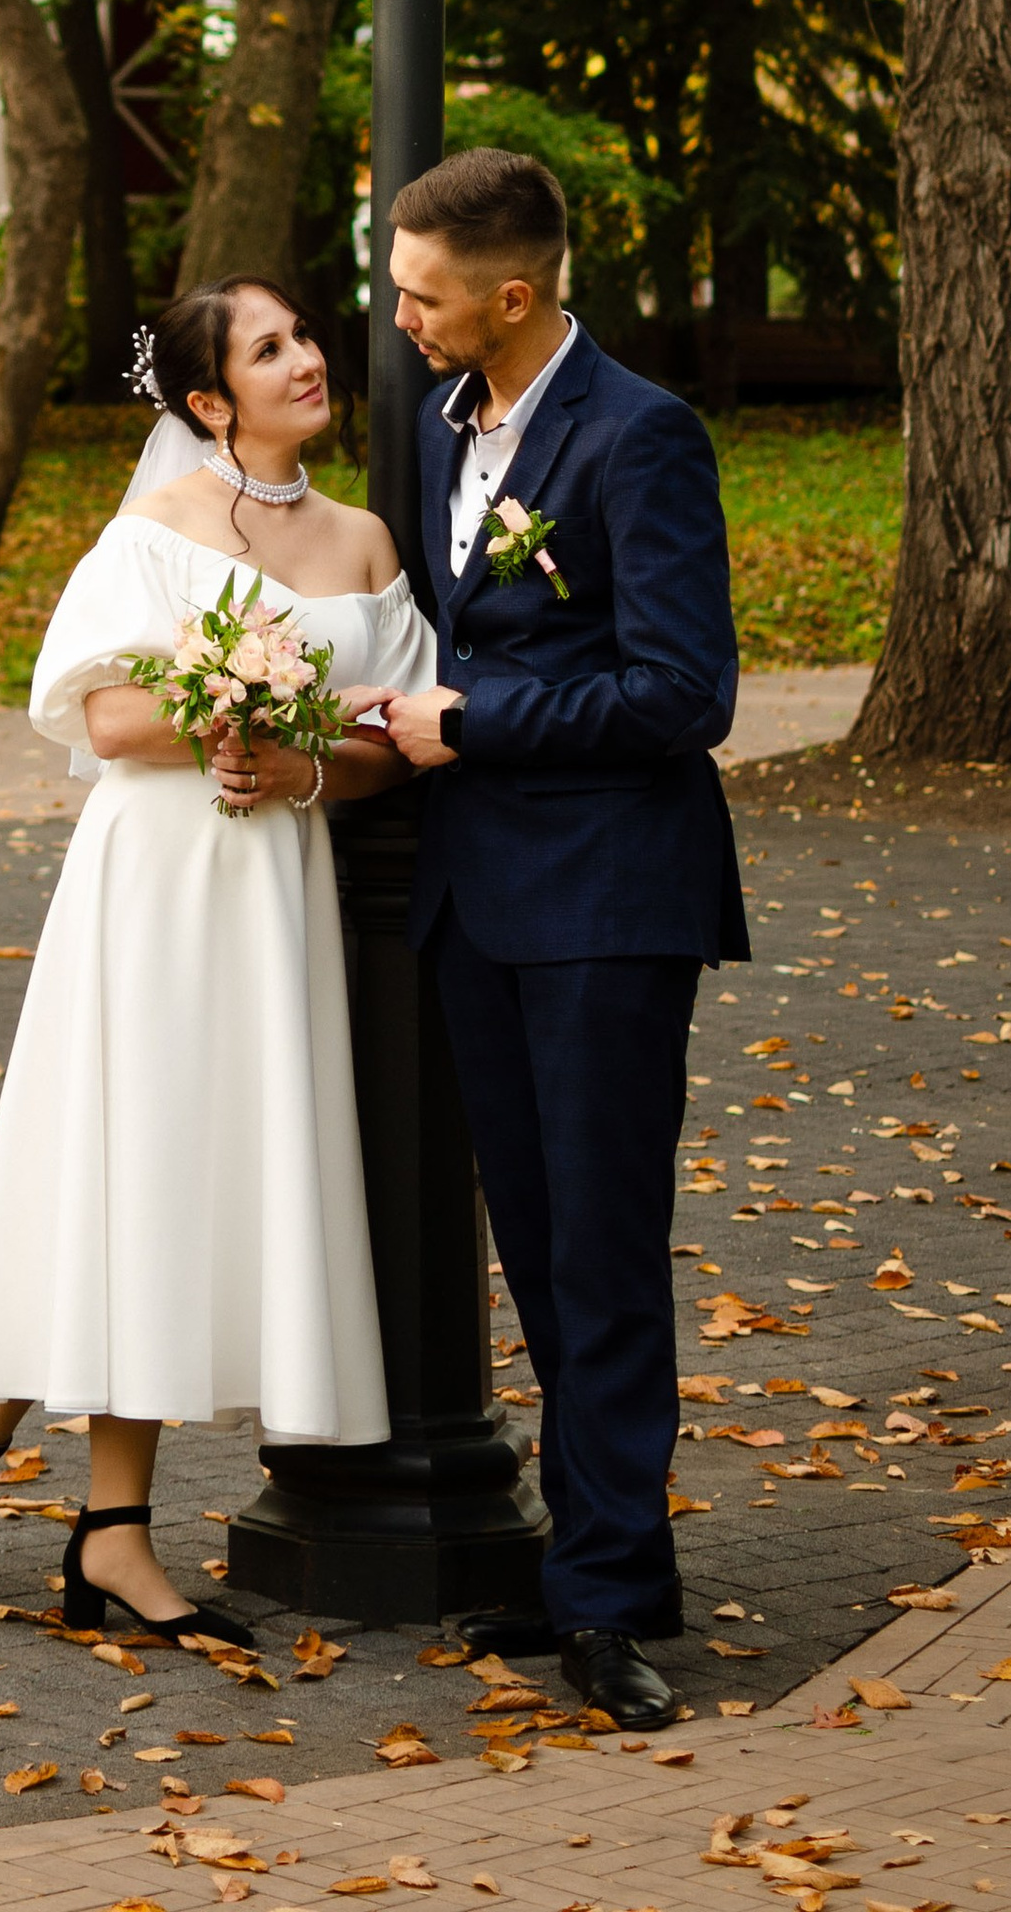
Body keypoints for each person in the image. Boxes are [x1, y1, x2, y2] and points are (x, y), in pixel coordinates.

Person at [0, 278, 430, 1639]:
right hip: (158, 880)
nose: (306, 357)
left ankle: (13, 1468)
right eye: (268, 348)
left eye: (304, 334)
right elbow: (109, 714)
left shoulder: (364, 540)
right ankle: (87, 1520)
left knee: (194, 1191)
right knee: (131, 1174)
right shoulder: (155, 529)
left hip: (276, 884)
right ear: (205, 401)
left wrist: (304, 760)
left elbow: (393, 744)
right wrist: (223, 711)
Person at [366, 144, 747, 1732]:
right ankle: (617, 1547)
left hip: (604, 900)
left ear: (511, 296)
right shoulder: (449, 426)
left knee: (600, 1252)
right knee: (535, 1243)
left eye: (423, 292)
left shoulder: (641, 436)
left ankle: (602, 1600)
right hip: (477, 902)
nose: (399, 316)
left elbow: (685, 693)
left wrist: (475, 715)